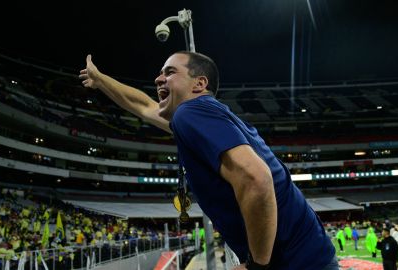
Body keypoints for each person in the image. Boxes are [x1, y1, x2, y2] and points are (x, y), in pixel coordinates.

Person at [79, 52, 337, 269]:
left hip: (296, 262)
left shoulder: (190, 112)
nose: (158, 78)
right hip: (309, 256)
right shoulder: (206, 116)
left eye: (169, 72)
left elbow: (255, 179)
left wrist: (257, 266)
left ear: (199, 83)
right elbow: (144, 106)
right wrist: (101, 81)